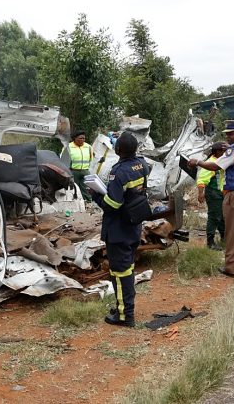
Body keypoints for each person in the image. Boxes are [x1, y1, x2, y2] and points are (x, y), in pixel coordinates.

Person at [90, 131, 148, 327]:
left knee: (121, 272)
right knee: (126, 269)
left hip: (118, 229)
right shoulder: (142, 165)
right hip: (133, 225)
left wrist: (95, 195)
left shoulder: (119, 172)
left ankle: (125, 315)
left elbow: (113, 204)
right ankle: (122, 306)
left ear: (118, 150)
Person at [189, 120, 234, 278]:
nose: (227, 137)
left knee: (233, 230)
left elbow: (215, 166)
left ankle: (231, 267)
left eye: (231, 133)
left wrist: (197, 162)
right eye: (226, 134)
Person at [196, 142, 227, 250]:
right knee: (214, 217)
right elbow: (202, 179)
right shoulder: (210, 163)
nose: (225, 152)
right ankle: (210, 242)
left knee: (222, 216)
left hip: (221, 193)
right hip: (213, 193)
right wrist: (200, 193)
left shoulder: (222, 161)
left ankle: (224, 237)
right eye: (223, 151)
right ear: (217, 151)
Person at [66, 130, 94, 200]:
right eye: (80, 138)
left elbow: (91, 159)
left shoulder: (88, 147)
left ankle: (88, 203)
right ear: (74, 138)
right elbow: (64, 161)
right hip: (73, 172)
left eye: (83, 138)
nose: (82, 140)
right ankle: (75, 203)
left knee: (86, 190)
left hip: (85, 171)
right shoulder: (68, 147)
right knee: (74, 189)